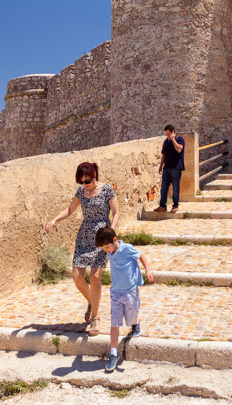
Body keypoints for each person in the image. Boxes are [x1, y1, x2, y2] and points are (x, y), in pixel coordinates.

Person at [45, 162, 118, 336]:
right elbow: (70, 210)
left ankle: (95, 318)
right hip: (84, 236)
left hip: (101, 236)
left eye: (88, 182)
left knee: (95, 277)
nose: (85, 185)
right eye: (82, 182)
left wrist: (111, 233)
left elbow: (116, 212)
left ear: (94, 176)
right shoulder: (81, 192)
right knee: (77, 277)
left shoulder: (107, 189)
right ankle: (92, 301)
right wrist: (55, 219)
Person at [94, 225, 154, 373]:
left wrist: (147, 271)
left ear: (115, 240)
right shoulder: (109, 251)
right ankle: (113, 353)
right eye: (104, 248)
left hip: (131, 291)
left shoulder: (127, 249)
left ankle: (135, 322)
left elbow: (141, 256)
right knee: (115, 323)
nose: (106, 250)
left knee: (131, 315)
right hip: (115, 292)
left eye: (107, 247)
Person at [155, 124, 185, 213]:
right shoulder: (165, 142)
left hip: (176, 167)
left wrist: (173, 140)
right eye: (166, 134)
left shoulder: (180, 139)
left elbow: (179, 149)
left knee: (175, 187)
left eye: (168, 134)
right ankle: (162, 206)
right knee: (163, 187)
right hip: (166, 168)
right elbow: (163, 155)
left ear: (173, 132)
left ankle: (175, 205)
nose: (167, 136)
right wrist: (161, 166)